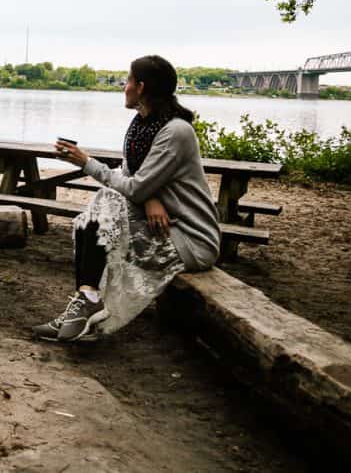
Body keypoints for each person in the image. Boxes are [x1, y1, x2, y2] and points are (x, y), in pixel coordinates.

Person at [32, 55, 220, 342]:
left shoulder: (176, 132)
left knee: (106, 202)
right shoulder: (142, 125)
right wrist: (149, 198)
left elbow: (134, 186)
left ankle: (86, 304)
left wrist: (86, 162)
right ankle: (85, 301)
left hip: (190, 238)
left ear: (141, 87)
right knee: (90, 221)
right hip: (160, 223)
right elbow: (132, 176)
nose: (124, 86)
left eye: (128, 80)